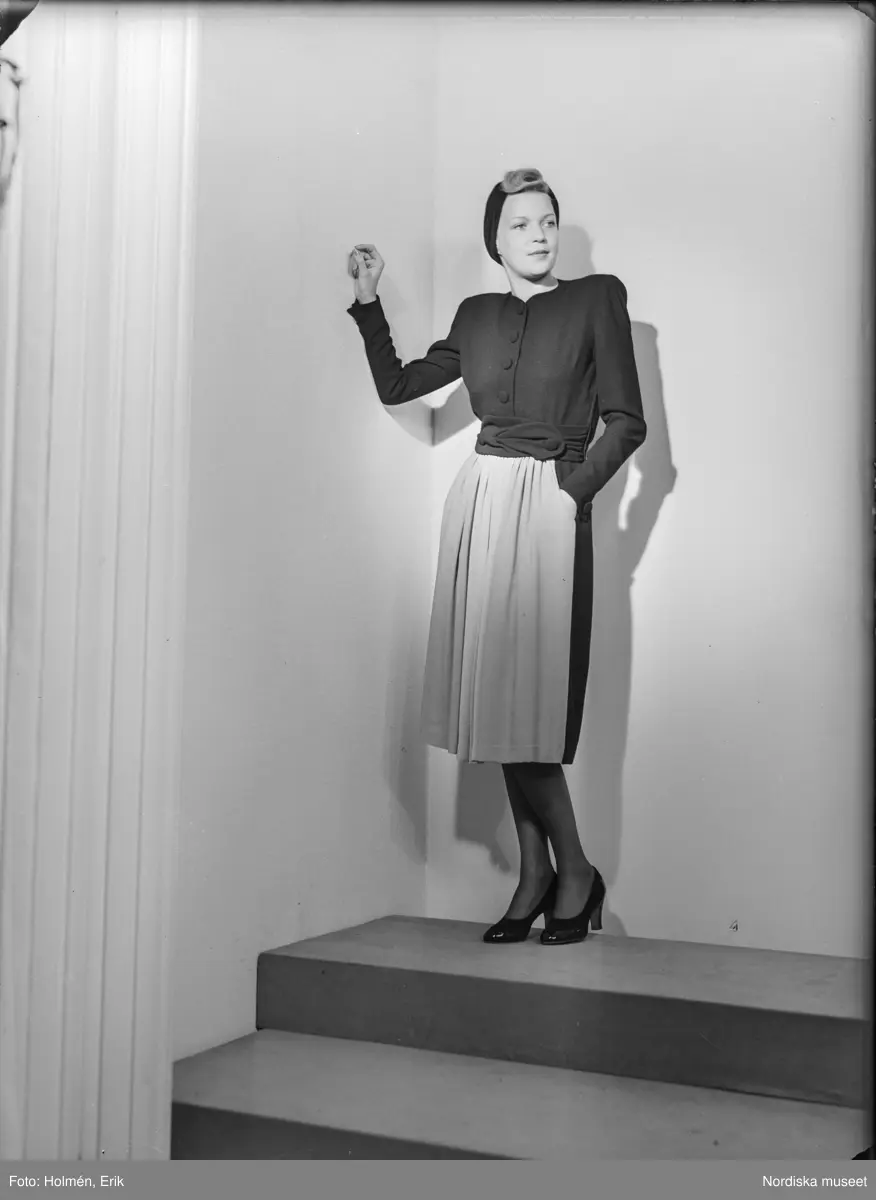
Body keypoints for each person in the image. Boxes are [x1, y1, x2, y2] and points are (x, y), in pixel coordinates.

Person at [347, 168, 646, 947]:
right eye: (521, 224)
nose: (539, 235)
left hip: (549, 501)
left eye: (548, 221)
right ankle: (537, 872)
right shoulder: (476, 315)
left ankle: (574, 870)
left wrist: (571, 493)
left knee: (530, 708)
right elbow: (403, 385)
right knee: (499, 704)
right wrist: (370, 304)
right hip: (481, 503)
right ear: (495, 240)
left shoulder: (597, 299)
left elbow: (627, 421)